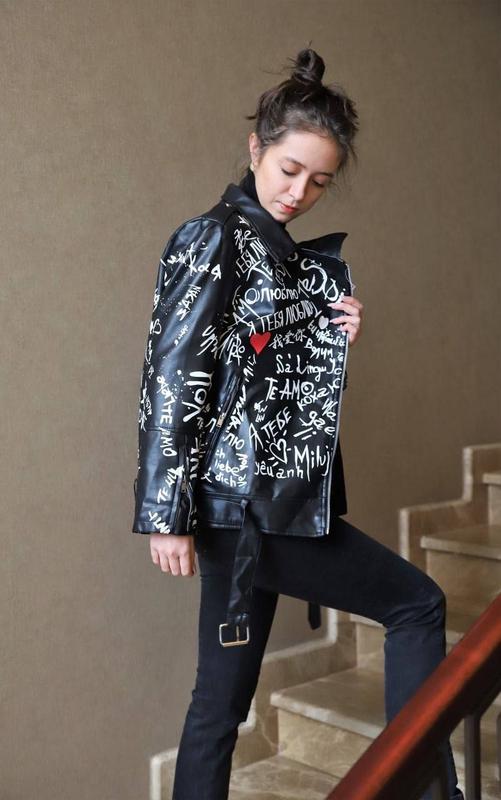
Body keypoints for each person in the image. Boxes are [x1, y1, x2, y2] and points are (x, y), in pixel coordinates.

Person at [132, 47, 464, 800]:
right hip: (250, 510)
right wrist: (164, 516)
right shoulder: (211, 238)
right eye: (288, 170)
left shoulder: (275, 253)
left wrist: (331, 333)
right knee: (417, 604)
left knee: (217, 707)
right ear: (256, 147)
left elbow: (256, 370)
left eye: (318, 181)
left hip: (256, 505)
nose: (298, 193)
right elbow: (173, 378)